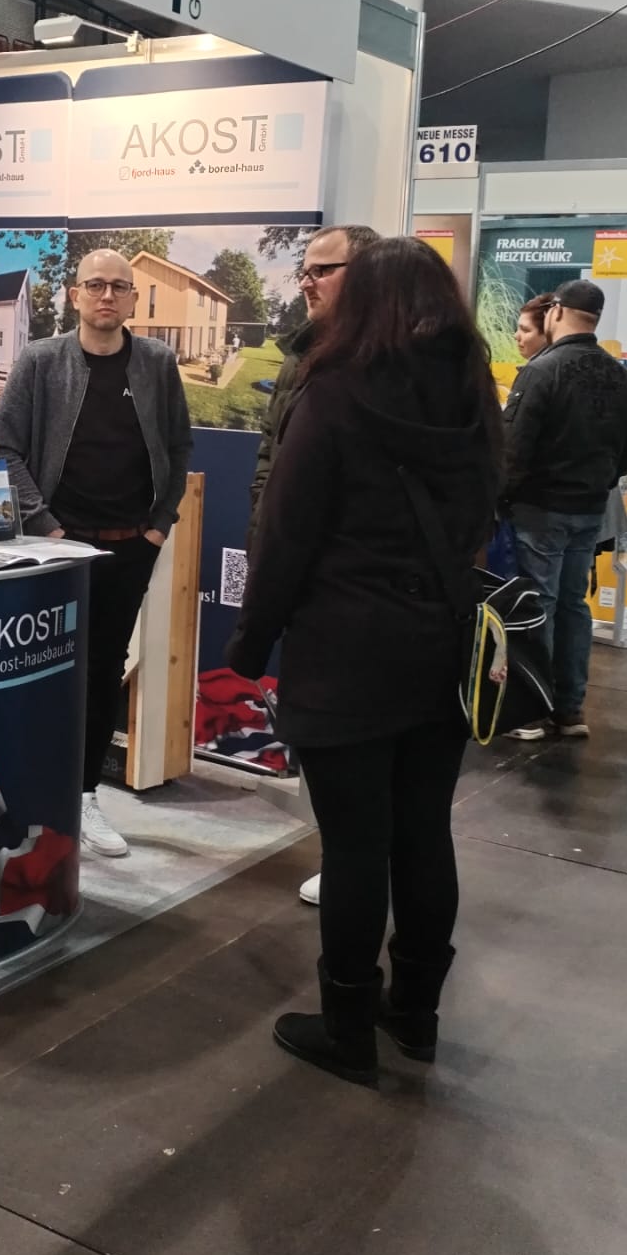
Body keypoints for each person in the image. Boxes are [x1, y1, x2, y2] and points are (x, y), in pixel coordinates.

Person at [223, 239, 501, 1086]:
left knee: (354, 847)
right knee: (424, 833)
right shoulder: (473, 390)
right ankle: (415, 1014)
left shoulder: (335, 391)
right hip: (441, 645)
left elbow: (287, 534)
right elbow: (488, 506)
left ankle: (347, 1027)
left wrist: (251, 642)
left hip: (345, 650)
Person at [0, 249, 192, 860]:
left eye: (119, 287)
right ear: (74, 294)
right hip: (56, 548)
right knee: (40, 671)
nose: (107, 296)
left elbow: (179, 447)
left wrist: (159, 526)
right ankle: (25, 797)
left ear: (132, 298)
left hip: (129, 548)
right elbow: (6, 448)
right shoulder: (41, 360)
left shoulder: (157, 362)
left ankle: (83, 798)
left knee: (103, 672)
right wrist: (46, 528)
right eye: (95, 285)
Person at [247, 222, 380, 911]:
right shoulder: (302, 357)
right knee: (321, 732)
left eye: (323, 270)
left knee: (356, 739)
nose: (306, 282)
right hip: (304, 582)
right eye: (304, 270)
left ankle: (356, 867)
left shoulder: (387, 361)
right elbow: (270, 457)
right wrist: (263, 536)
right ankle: (345, 857)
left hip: (356, 591)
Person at [500, 279, 627, 742]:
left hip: (540, 509)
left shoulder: (542, 372)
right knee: (573, 605)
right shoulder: (621, 377)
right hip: (589, 510)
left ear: (556, 311)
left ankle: (530, 710)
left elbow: (514, 451)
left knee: (536, 604)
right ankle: (569, 710)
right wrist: (597, 483)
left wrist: (498, 500)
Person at [514, 292, 553, 365]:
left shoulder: (541, 370)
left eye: (525, 330)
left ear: (548, 333)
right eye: (518, 328)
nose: (516, 336)